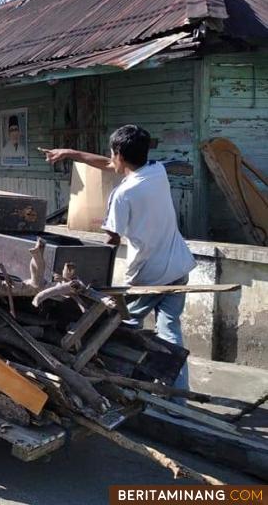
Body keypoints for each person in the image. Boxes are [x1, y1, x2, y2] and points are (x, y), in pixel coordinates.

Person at [42, 124, 196, 398]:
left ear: (120, 156)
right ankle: (179, 397)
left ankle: (122, 386)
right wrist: (69, 153)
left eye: (113, 153)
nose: (110, 158)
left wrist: (89, 272)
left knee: (120, 328)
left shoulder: (122, 195)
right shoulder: (156, 171)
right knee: (170, 332)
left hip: (149, 277)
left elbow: (111, 242)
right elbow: (109, 164)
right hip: (179, 267)